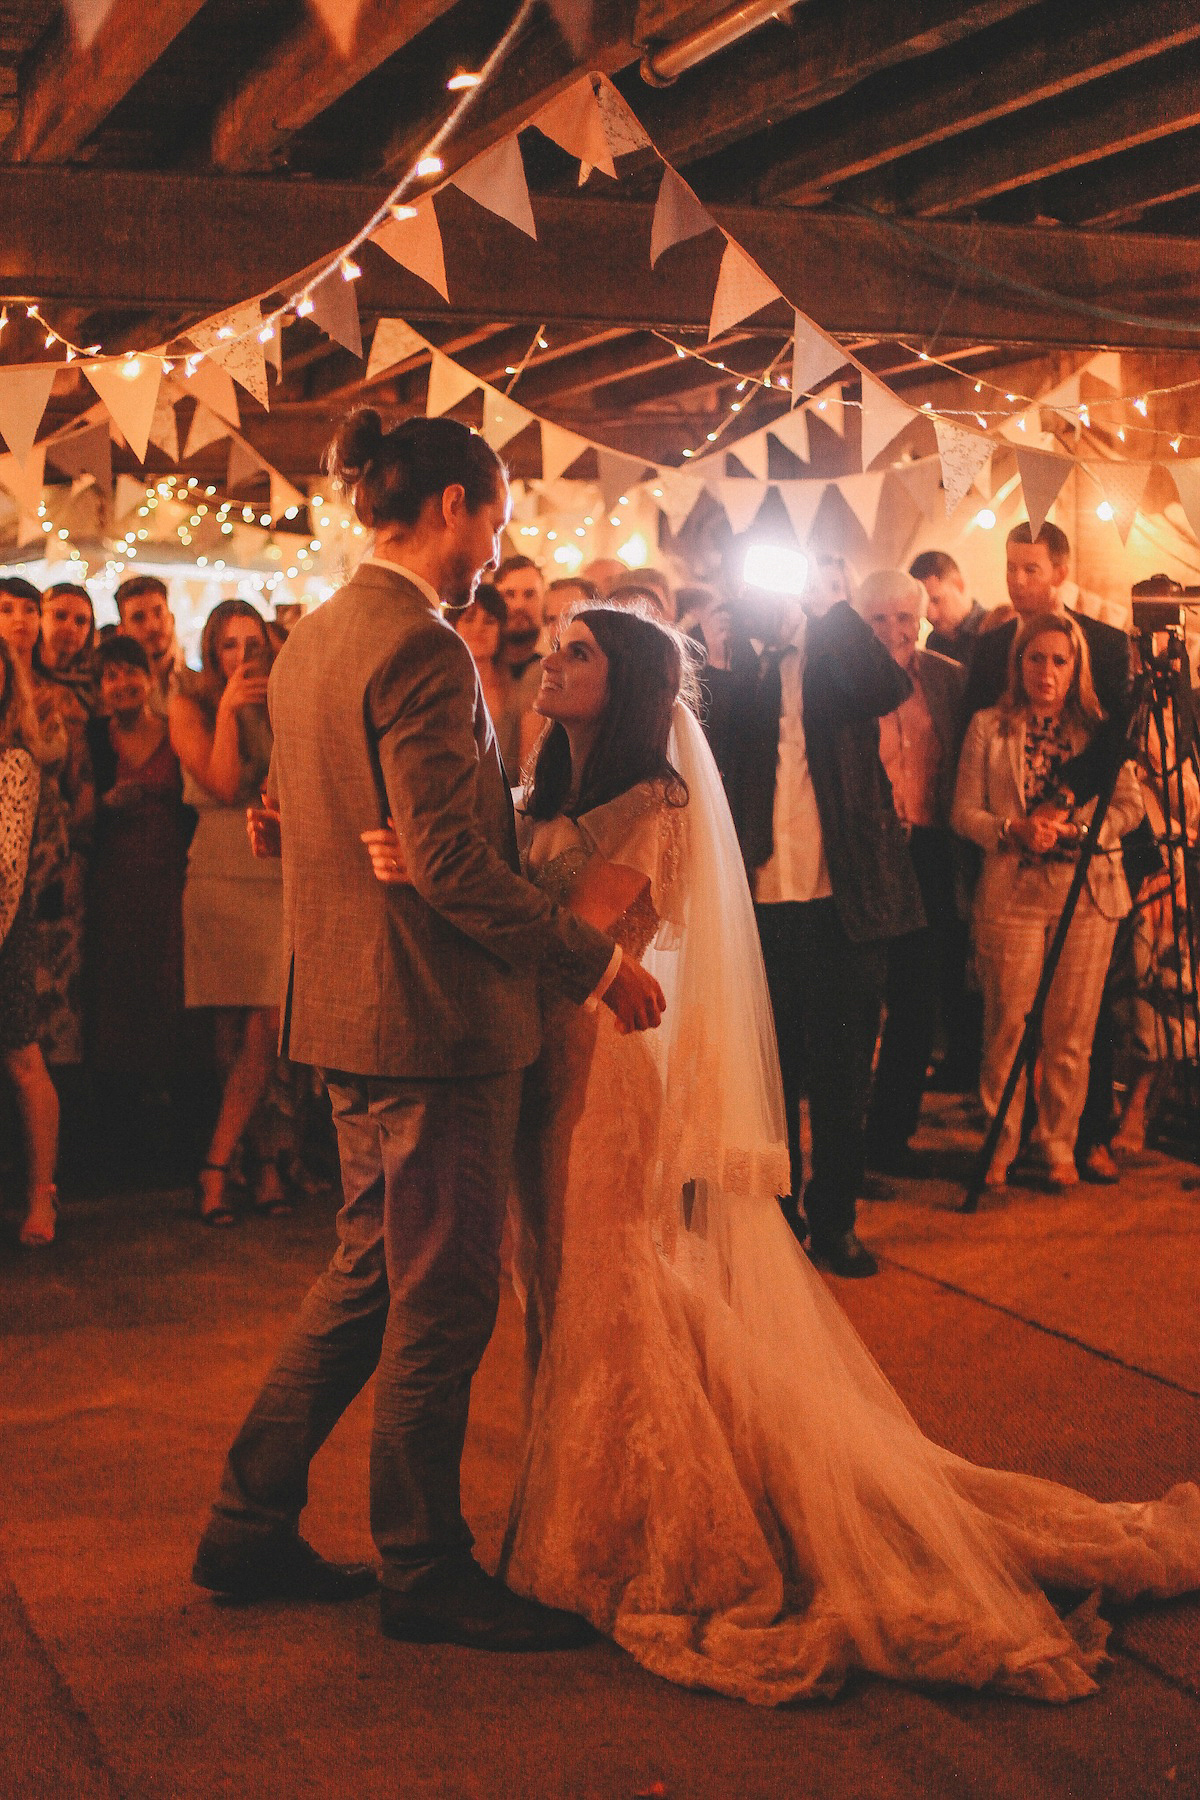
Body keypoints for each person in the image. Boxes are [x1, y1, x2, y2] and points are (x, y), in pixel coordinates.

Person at [368, 604, 1200, 1706]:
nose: (550, 663)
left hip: (612, 1071)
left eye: (580, 652)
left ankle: (640, 1529)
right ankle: (588, 1500)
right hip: (546, 1067)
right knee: (573, 1284)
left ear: (630, 685)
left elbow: (583, 927)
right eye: (553, 645)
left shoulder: (650, 798)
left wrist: (431, 876)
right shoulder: (544, 790)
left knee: (617, 1281)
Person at [191, 409, 664, 1647]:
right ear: (452, 505)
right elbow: (450, 860)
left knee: (364, 1274)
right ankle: (424, 1567)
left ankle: (247, 1521)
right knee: (444, 1300)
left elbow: (320, 817)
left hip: (344, 1009)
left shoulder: (310, 640)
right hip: (433, 1023)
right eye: (492, 523)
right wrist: (592, 963)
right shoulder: (421, 647)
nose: (489, 553)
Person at [722, 572, 925, 1276]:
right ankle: (778, 1216)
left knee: (843, 1073)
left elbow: (888, 688)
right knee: (770, 1072)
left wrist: (823, 613)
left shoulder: (843, 657)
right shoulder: (746, 662)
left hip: (846, 898)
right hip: (762, 894)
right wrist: (747, 636)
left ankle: (835, 1219)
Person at [964, 521, 1134, 1182]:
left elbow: (1126, 790)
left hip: (1086, 886)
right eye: (1010, 567)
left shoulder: (1102, 671)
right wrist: (1009, 831)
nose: (1017, 580)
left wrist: (1076, 825)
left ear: (1059, 571)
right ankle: (998, 1145)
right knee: (1006, 1023)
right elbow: (966, 800)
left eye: (1031, 568)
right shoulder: (991, 682)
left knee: (1074, 1031)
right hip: (1011, 884)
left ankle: (1062, 1142)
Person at [169, 601, 288, 1224]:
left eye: (253, 644)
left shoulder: (285, 699)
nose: (243, 658)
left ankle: (214, 1167)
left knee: (268, 1024)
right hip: (216, 866)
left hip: (272, 864)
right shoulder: (188, 700)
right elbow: (219, 782)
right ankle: (258, 1159)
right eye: (229, 647)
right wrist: (228, 710)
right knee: (227, 1034)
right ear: (213, 651)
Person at [853, 572, 968, 1171]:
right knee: (862, 997)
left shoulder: (947, 678)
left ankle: (889, 1139)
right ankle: (846, 1140)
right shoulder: (844, 681)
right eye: (880, 618)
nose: (895, 630)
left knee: (917, 1001)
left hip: (927, 849)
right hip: (868, 855)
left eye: (906, 618)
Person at [85, 637, 189, 1166]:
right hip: (113, 887)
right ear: (100, 688)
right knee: (116, 996)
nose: (122, 685)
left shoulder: (176, 733)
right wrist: (105, 803)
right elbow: (79, 814)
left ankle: (168, 1132)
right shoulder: (95, 741)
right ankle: (119, 1136)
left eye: (131, 674)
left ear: (150, 677)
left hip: (170, 885)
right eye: (111, 677)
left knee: (166, 993)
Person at [0, 576, 92, 1072]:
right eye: (7, 609)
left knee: (48, 1004)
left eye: (29, 609)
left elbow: (82, 784)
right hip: (3, 857)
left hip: (48, 861)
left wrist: (78, 857)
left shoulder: (61, 695)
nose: (20, 619)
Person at [0, 636, 59, 1247]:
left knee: (23, 1059)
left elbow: (7, 863)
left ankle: (42, 1194)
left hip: (5, 922)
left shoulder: (16, 761)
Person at [452, 582, 541, 775]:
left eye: (489, 621)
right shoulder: (442, 690)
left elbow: (528, 770)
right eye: (469, 618)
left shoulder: (518, 692)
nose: (478, 628)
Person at [116, 575, 185, 714]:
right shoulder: (118, 693)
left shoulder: (199, 686)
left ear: (171, 619)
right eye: (138, 618)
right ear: (122, 631)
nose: (152, 626)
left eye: (158, 613)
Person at [910, 550, 986, 663]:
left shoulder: (994, 629)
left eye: (936, 600)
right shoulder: (933, 642)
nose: (930, 615)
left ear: (959, 585)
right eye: (923, 605)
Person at [36, 581, 97, 714]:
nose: (70, 628)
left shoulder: (97, 684)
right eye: (60, 616)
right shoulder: (20, 676)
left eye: (80, 621)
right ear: (40, 618)